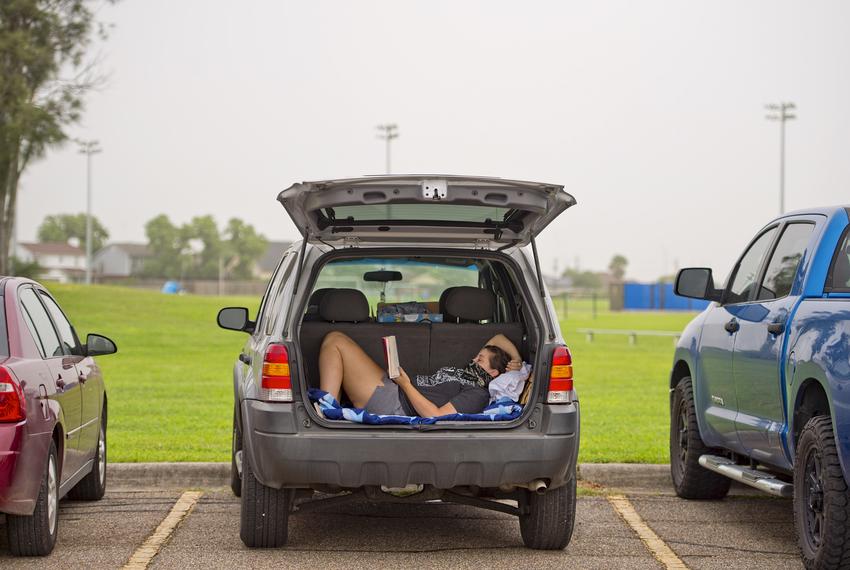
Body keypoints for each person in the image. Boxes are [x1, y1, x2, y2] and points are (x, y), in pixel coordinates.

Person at [319, 331, 523, 417]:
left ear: (493, 372)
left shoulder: (477, 393)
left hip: (395, 402)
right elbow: (498, 338)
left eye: (479, 360)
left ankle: (328, 412)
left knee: (335, 341)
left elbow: (435, 416)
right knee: (335, 339)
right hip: (395, 388)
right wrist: (517, 360)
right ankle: (331, 407)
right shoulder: (470, 375)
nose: (473, 361)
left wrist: (406, 384)